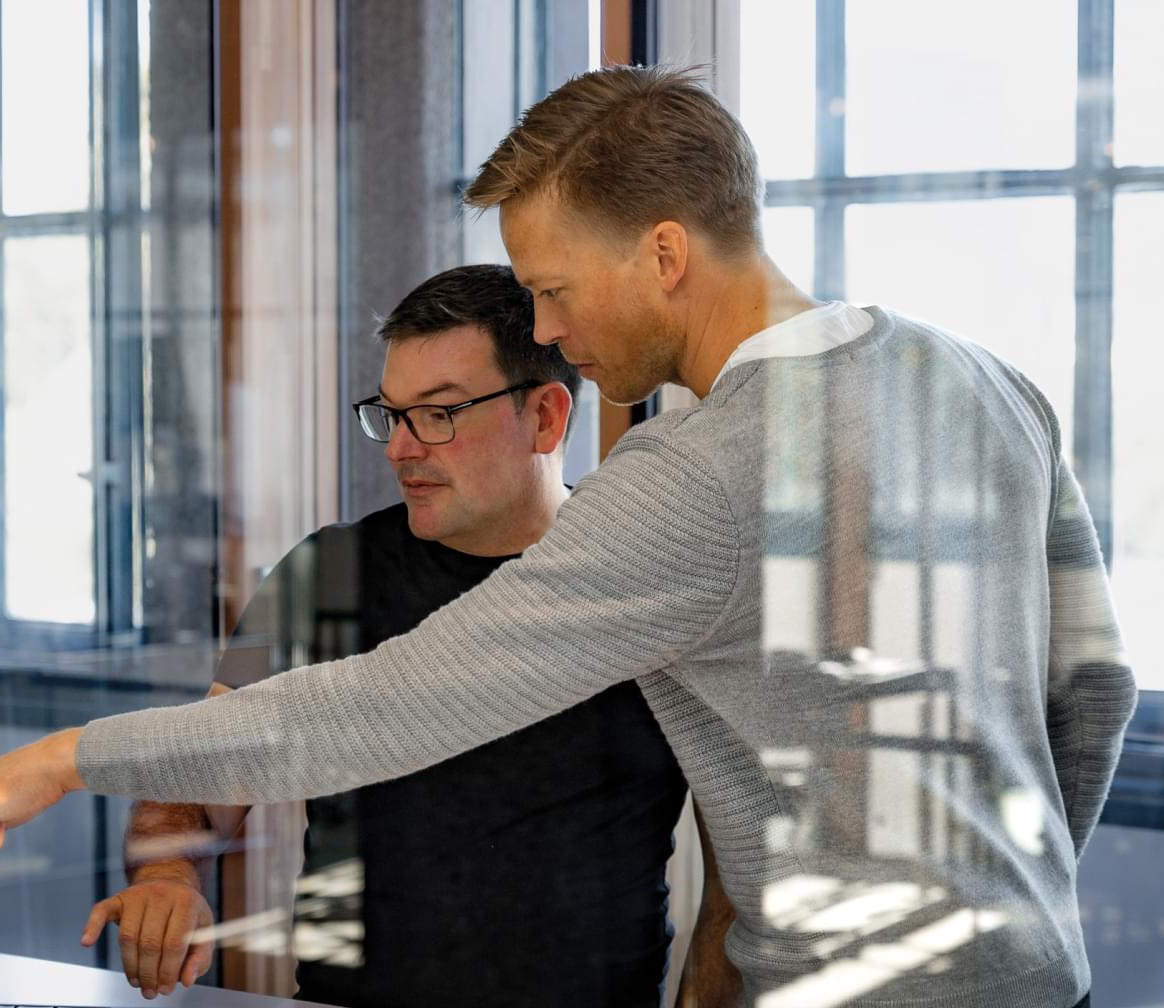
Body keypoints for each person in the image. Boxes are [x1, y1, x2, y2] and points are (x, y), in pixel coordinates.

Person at [0, 65, 1136, 1008]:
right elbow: (1094, 687)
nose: (550, 323)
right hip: (1041, 978)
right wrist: (1004, 915)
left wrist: (61, 759)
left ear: (665, 253)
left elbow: (382, 705)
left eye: (552, 286)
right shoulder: (980, 378)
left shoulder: (696, 471)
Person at [76, 263, 709, 1006]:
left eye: (439, 414)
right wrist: (166, 876)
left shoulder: (650, 586)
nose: (400, 449)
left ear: (545, 417)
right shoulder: (315, 574)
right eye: (391, 413)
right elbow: (193, 767)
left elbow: (748, 849)